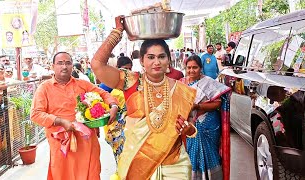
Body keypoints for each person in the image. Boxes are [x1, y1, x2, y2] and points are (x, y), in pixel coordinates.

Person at [91, 16, 198, 179]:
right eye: (151, 57)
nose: (157, 62)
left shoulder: (182, 90)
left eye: (161, 57)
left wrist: (189, 130)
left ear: (169, 60)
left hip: (175, 165)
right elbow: (97, 65)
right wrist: (117, 32)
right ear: (141, 60)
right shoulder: (130, 81)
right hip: (137, 163)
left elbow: (190, 124)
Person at [30, 52, 119, 180]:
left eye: (68, 63)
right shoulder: (44, 88)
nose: (64, 66)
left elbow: (104, 94)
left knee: (90, 172)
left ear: (72, 66)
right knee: (62, 174)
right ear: (52, 66)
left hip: (86, 141)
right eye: (60, 63)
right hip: (61, 142)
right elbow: (36, 114)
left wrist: (113, 105)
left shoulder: (83, 84)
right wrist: (59, 121)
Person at [180, 55, 231, 180]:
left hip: (208, 123)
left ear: (201, 68)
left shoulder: (208, 82)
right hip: (191, 124)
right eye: (189, 68)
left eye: (195, 67)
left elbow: (218, 103)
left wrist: (198, 106)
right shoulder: (182, 83)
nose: (191, 71)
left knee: (209, 154)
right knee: (192, 153)